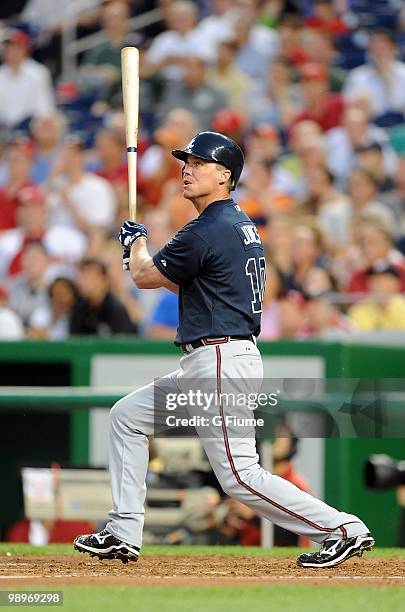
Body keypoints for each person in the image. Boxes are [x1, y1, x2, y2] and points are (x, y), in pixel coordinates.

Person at [74, 131, 374, 568]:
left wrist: (133, 244)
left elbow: (143, 275)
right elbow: (182, 278)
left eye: (199, 163)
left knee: (238, 475)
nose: (187, 168)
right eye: (186, 161)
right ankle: (123, 531)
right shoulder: (235, 223)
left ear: (225, 175)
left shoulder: (209, 227)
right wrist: (140, 250)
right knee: (127, 417)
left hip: (219, 359)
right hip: (212, 360)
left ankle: (341, 528)